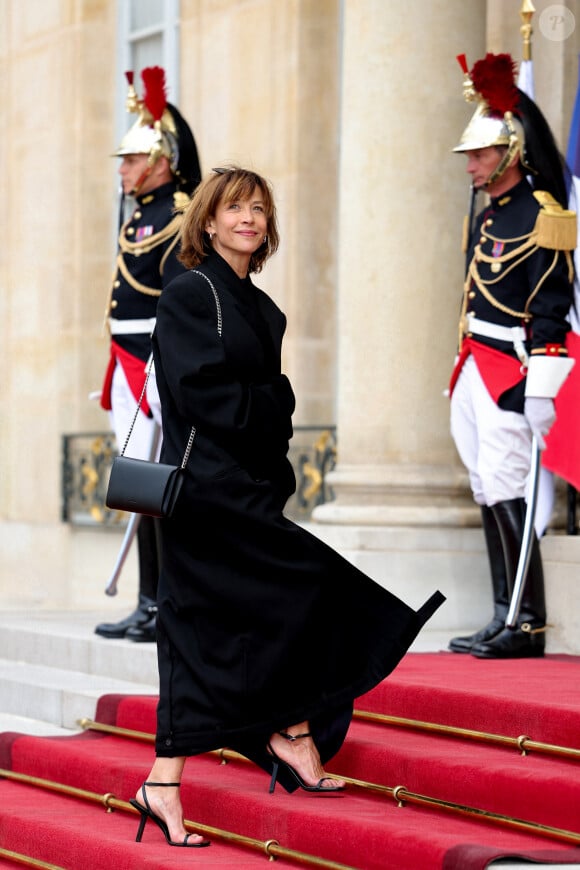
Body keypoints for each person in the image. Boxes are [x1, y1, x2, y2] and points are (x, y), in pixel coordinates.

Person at [126, 166, 444, 847]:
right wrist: (274, 404)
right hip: (206, 497)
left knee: (214, 628)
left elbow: (261, 400)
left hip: (249, 490)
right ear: (207, 222)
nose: (250, 218)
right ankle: (280, 736)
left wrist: (271, 414)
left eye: (260, 209)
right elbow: (201, 394)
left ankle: (200, 768)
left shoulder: (262, 309)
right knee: (284, 599)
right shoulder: (190, 293)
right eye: (235, 208)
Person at [447, 53, 576, 659]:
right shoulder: (492, 213)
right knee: (485, 484)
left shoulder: (543, 216)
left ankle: (527, 622)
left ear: (513, 151)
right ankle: (503, 611)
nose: (470, 163)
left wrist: (544, 385)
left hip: (514, 368)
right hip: (475, 361)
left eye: (480, 153)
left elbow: (551, 304)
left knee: (507, 482)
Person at [95, 67, 201, 643]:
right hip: (125, 355)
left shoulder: (179, 214)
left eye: (132, 161)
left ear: (160, 161)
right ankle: (146, 602)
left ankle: (164, 605)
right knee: (142, 486)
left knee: (158, 486)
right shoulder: (139, 213)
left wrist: (166, 363)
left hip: (154, 359)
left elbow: (177, 301)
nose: (123, 170)